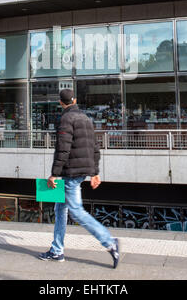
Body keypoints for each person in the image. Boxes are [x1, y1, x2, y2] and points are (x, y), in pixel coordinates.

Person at [39, 88, 120, 268]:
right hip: (81, 171)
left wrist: (54, 174)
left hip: (71, 173)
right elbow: (95, 147)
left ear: (61, 102)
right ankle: (57, 250)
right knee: (60, 209)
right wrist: (95, 172)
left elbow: (63, 149)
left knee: (76, 211)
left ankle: (109, 242)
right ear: (74, 100)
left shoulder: (66, 119)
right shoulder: (85, 118)